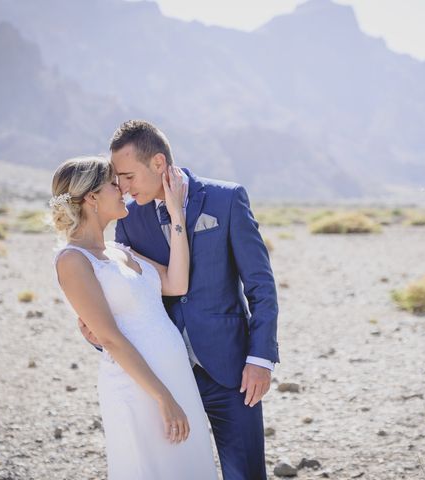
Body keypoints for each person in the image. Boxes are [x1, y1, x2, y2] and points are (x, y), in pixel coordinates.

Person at [79, 120, 280, 479]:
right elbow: (130, 289)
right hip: (166, 376)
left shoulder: (226, 199)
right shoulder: (129, 217)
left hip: (232, 373)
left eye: (128, 176)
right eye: (117, 180)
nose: (122, 188)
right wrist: (99, 337)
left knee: (245, 474)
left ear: (158, 164)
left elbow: (261, 287)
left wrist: (261, 358)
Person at [51, 156, 218, 479]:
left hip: (175, 377)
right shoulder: (73, 260)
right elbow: (110, 338)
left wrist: (176, 214)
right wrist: (163, 397)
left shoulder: (120, 251)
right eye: (114, 185)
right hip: (139, 388)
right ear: (92, 197)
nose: (123, 190)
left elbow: (176, 282)